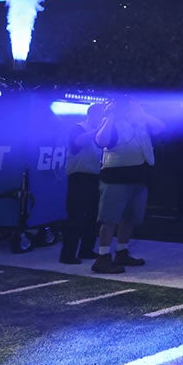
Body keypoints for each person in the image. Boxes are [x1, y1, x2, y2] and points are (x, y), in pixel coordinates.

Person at [92, 97, 163, 274]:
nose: (129, 109)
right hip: (116, 178)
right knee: (110, 219)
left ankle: (122, 252)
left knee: (130, 218)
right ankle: (102, 257)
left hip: (139, 176)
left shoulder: (140, 122)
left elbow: (161, 127)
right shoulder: (110, 122)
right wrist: (110, 116)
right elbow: (101, 141)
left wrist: (143, 114)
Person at [59, 102, 104, 265]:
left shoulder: (100, 132)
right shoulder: (79, 127)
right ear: (91, 114)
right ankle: (67, 254)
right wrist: (97, 131)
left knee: (93, 217)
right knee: (76, 217)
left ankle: (86, 250)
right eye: (100, 114)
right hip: (79, 177)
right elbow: (78, 142)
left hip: (95, 177)